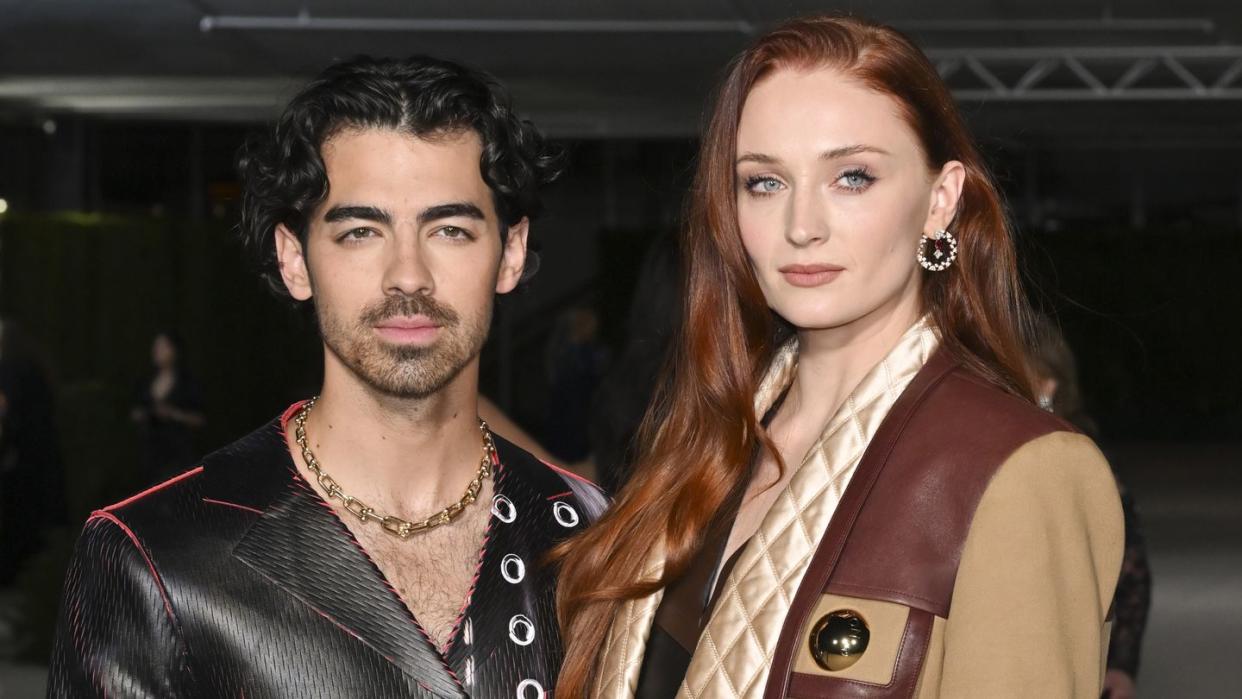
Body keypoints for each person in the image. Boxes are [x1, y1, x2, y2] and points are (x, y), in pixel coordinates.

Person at [556, 15, 1124, 698]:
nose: (802, 226)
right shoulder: (703, 439)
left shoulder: (1017, 469)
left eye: (852, 177)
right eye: (764, 182)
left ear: (940, 202)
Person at [49, 55, 605, 697]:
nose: (408, 275)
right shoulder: (154, 555)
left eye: (450, 230)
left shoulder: (591, 535)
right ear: (295, 259)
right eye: (361, 232)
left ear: (509, 254)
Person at [1029, 317, 1152, 699]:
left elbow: (1130, 569)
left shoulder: (1081, 457)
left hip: (1069, 662)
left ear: (1049, 383)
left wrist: (1120, 665)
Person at [130, 330, 206, 483]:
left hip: (178, 453)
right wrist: (145, 414)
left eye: (163, 347)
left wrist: (173, 414)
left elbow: (200, 419)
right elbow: (136, 412)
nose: (157, 351)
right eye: (156, 347)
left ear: (175, 350)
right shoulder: (146, 382)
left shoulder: (187, 383)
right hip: (150, 453)